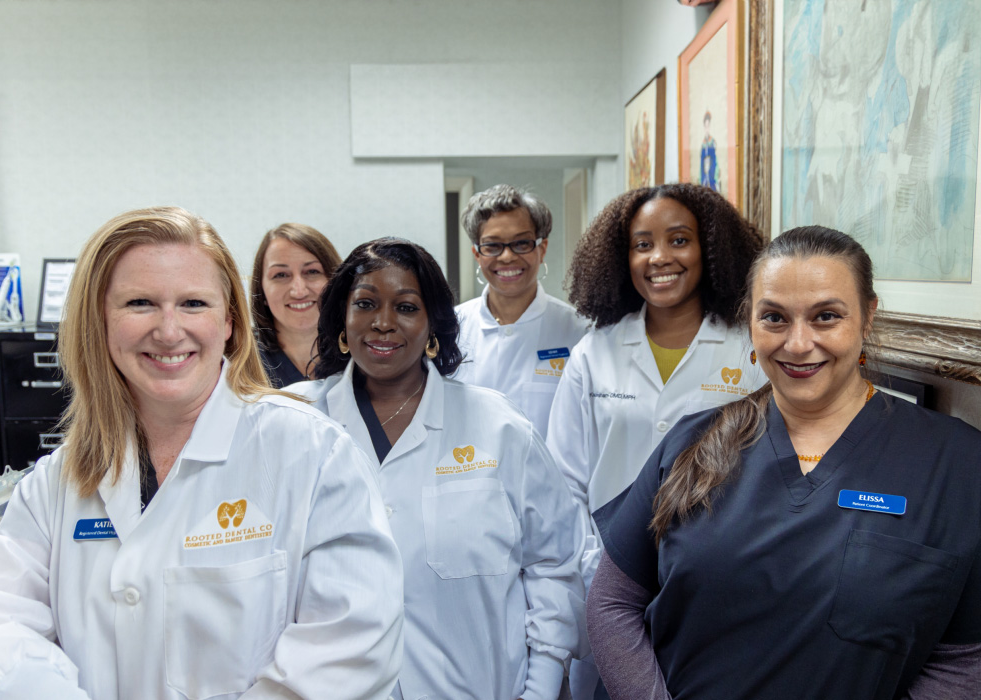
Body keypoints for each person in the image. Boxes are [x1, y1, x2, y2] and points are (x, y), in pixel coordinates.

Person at [0, 207, 404, 700]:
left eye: (193, 304)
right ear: (99, 320)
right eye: (139, 303)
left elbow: (352, 645)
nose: (168, 330)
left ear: (228, 320)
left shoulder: (313, 453)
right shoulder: (57, 482)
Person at [588, 226, 981, 700]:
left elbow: (964, 656)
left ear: (868, 317)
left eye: (826, 317)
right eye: (774, 318)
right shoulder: (693, 443)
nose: (797, 344)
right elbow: (613, 602)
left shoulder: (956, 465)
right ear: (749, 323)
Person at [291, 238, 586, 700]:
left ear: (433, 328)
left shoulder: (498, 427)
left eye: (406, 307)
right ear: (342, 325)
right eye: (365, 304)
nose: (384, 322)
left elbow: (554, 563)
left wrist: (542, 686)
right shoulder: (293, 425)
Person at [547, 183, 765, 699]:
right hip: (604, 570)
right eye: (642, 244)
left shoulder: (749, 351)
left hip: (713, 571)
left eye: (678, 240)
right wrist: (593, 567)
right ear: (622, 258)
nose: (659, 257)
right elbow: (564, 483)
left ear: (710, 249)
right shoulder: (594, 352)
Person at [455, 184, 587, 438]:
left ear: (542, 249)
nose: (506, 257)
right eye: (492, 246)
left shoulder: (579, 331)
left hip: (550, 478)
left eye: (521, 243)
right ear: (477, 254)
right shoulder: (451, 328)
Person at [250, 222, 342, 387]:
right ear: (261, 290)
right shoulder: (240, 360)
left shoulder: (360, 355)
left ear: (335, 282)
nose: (299, 291)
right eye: (281, 275)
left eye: (312, 272)